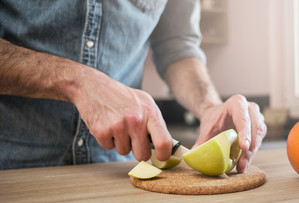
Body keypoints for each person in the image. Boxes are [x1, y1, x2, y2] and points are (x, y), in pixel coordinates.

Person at [0, 0, 266, 172]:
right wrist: (78, 81)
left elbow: (177, 46)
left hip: (117, 170)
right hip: (12, 171)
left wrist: (209, 105)